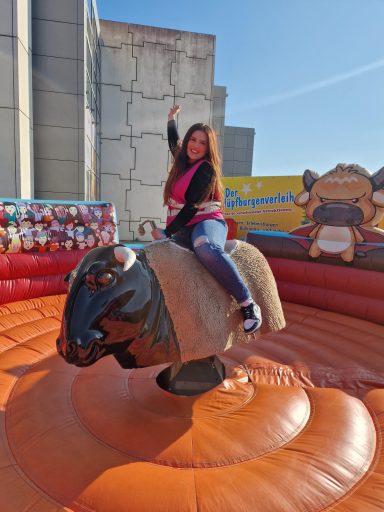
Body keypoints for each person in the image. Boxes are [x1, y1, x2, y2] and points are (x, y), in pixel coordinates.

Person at [151, 105, 262, 334]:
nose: (196, 146)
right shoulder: (181, 163)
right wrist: (171, 119)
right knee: (155, 254)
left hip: (206, 222)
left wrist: (166, 232)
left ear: (208, 148)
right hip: (184, 225)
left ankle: (248, 304)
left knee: (206, 247)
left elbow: (191, 207)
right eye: (193, 140)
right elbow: (174, 143)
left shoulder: (206, 170)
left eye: (203, 143)